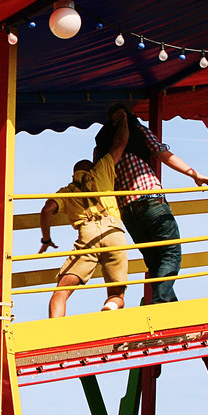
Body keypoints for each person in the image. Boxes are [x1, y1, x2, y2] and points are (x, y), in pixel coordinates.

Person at [92, 104, 208, 304]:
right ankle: (160, 301)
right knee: (171, 253)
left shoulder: (101, 147)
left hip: (128, 211)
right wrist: (195, 174)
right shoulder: (136, 129)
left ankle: (167, 303)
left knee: (154, 260)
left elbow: (100, 177)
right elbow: (162, 153)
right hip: (150, 200)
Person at [39, 109, 129, 318]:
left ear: (74, 174)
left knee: (61, 292)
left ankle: (55, 330)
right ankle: (111, 307)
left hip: (87, 233)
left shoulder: (67, 190)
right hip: (114, 231)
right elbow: (120, 143)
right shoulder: (103, 169)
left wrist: (46, 239)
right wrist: (124, 119)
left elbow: (47, 211)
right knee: (117, 292)